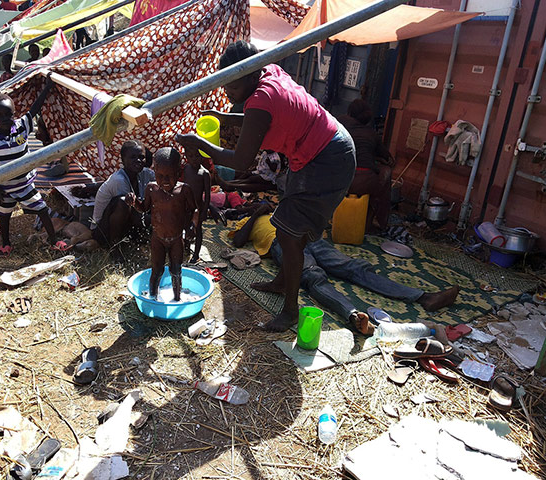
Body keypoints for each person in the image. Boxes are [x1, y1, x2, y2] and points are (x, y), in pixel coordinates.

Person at [176, 40, 356, 332]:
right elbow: (260, 119)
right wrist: (225, 119)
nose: (227, 92)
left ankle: (290, 311)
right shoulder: (269, 71)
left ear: (249, 74)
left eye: (231, 86)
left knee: (289, 233)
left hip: (327, 157)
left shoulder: (261, 98)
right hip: (317, 149)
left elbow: (242, 161)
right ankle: (284, 281)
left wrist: (200, 143)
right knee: (286, 225)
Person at [231, 205, 460, 334]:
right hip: (282, 244)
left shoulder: (281, 210)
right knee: (313, 276)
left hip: (308, 238)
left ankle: (424, 296)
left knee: (353, 267)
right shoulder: (246, 222)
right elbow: (238, 241)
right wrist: (254, 213)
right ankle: (353, 316)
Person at [0, 79, 69, 255]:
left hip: (26, 184)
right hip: (5, 186)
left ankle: (54, 241)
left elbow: (35, 108)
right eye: (0, 115)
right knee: (4, 216)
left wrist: (47, 87)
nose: (6, 119)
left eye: (9, 114)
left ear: (14, 113)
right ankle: (5, 243)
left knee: (42, 210)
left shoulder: (22, 126)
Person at [127, 147, 197, 301]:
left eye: (169, 176)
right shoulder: (152, 189)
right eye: (160, 176)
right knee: (156, 270)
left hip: (176, 239)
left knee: (176, 271)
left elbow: (194, 209)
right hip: (157, 239)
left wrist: (191, 225)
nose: (165, 181)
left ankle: (177, 299)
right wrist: (134, 203)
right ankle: (152, 298)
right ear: (154, 172)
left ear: (178, 173)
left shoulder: (184, 190)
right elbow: (144, 208)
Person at [71, 140, 154, 252]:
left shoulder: (146, 174)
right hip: (103, 231)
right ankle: (115, 248)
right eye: (133, 157)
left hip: (128, 224)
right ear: (123, 160)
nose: (138, 161)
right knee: (123, 202)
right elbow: (135, 216)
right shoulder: (119, 180)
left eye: (141, 157)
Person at [342, 98, 394, 232]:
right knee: (383, 179)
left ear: (350, 113)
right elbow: (388, 158)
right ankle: (370, 224)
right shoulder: (372, 134)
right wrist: (378, 158)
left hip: (344, 180)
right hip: (367, 181)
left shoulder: (341, 124)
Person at [183, 151, 211, 263]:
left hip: (198, 207)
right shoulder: (186, 169)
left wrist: (204, 210)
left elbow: (208, 195)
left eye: (197, 156)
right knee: (185, 227)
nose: (194, 159)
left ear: (202, 157)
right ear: (186, 157)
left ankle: (196, 254)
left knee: (198, 229)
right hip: (185, 206)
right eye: (191, 156)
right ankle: (186, 248)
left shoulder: (204, 173)